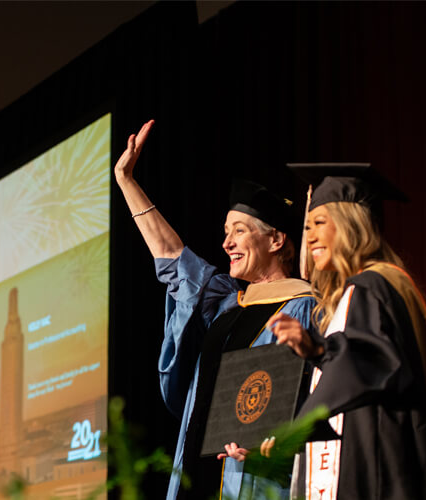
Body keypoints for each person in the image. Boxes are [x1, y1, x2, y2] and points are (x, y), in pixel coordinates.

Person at [115, 120, 316, 500]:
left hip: (259, 476)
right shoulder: (227, 302)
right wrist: (126, 180)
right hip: (196, 471)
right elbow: (173, 259)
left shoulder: (306, 308)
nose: (226, 243)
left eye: (239, 231)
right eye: (226, 232)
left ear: (275, 239)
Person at [253, 164, 426, 499]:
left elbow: (370, 361)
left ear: (349, 223)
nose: (310, 236)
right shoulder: (385, 282)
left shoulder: (371, 285)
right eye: (306, 226)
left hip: (377, 464)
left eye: (319, 223)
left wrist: (318, 353)